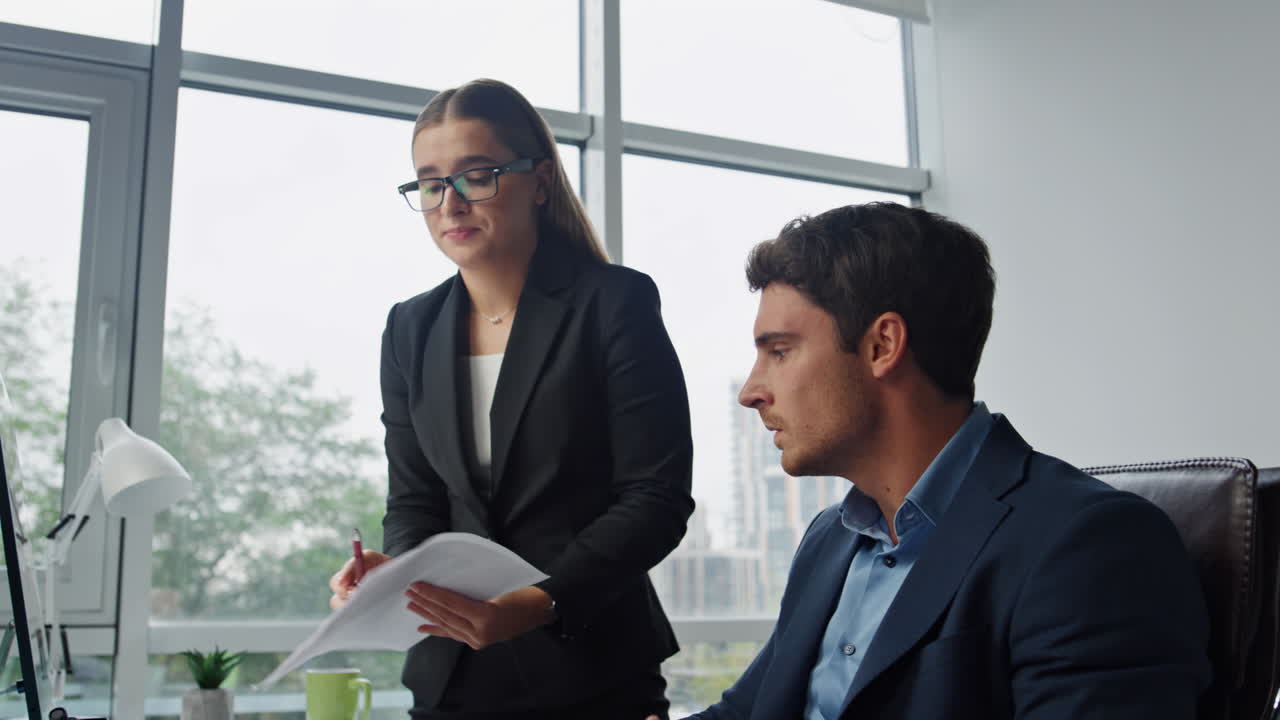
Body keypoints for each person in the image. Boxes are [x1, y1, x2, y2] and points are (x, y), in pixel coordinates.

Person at [669, 202, 1210, 719]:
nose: (753, 391)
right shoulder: (829, 539)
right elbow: (749, 711)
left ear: (883, 345)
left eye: (779, 352)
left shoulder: (1093, 545)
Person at [327, 79, 694, 719]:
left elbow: (655, 498)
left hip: (594, 673)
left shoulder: (613, 303)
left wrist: (539, 600)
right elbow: (415, 499)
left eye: (478, 176)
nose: (451, 203)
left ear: (541, 181)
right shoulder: (409, 329)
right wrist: (394, 575)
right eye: (431, 183)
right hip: (452, 678)